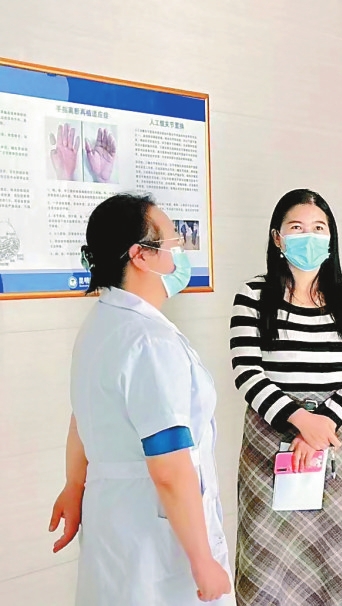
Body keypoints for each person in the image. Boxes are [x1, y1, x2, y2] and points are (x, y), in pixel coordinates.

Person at [48, 193, 232, 605]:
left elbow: (83, 418)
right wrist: (202, 560)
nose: (180, 253)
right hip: (155, 535)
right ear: (141, 256)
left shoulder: (101, 325)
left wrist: (74, 485)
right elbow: (169, 466)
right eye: (172, 242)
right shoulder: (150, 342)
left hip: (114, 520)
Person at [230, 189, 342, 605]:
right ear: (278, 238)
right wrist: (300, 421)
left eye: (318, 228)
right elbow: (247, 372)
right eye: (297, 227)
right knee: (266, 558)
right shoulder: (253, 296)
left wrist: (320, 424)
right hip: (270, 437)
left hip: (331, 439)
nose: (308, 236)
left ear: (330, 238)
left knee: (332, 554)